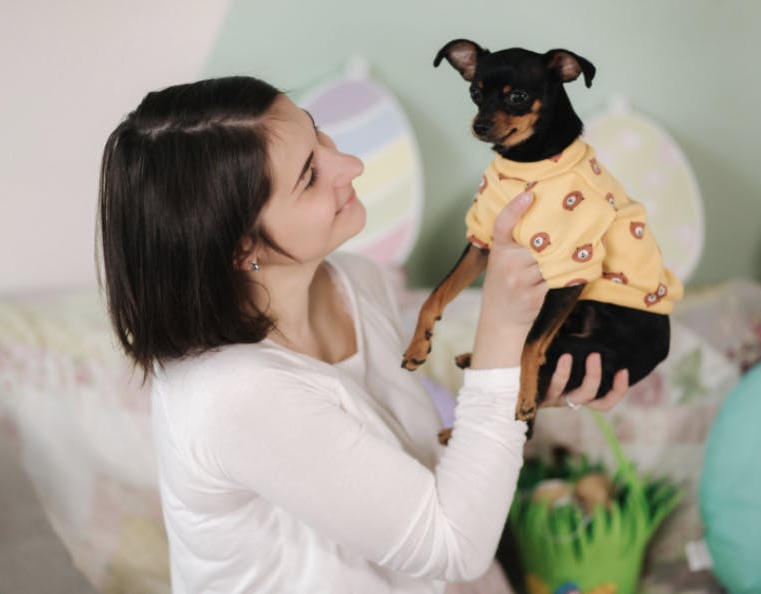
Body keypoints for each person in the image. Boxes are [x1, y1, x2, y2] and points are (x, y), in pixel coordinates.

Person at [97, 75, 630, 594]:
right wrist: (499, 332)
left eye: (317, 133)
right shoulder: (230, 394)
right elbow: (453, 545)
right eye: (308, 175)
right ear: (240, 249)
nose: (351, 165)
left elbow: (418, 480)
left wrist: (518, 379)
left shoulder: (355, 280)